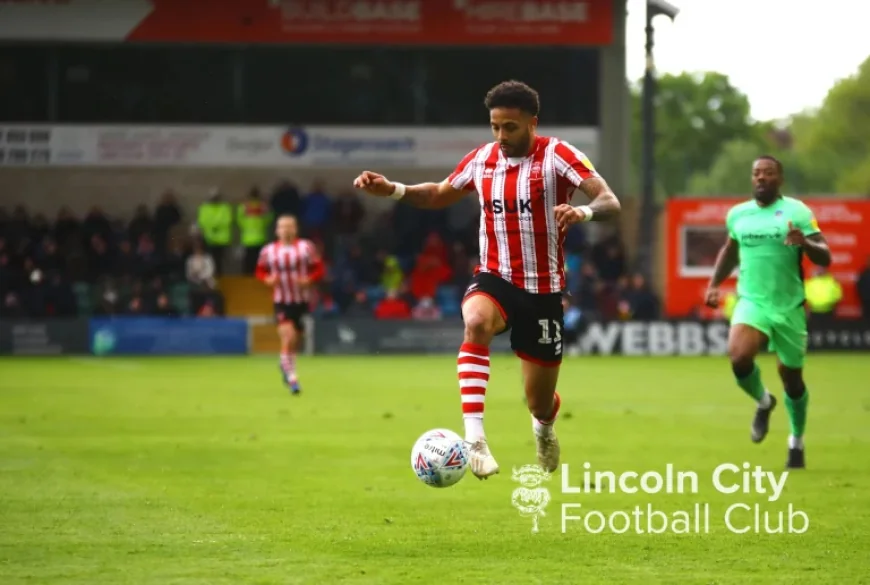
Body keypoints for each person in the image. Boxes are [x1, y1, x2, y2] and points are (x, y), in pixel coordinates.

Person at [352, 80, 621, 479]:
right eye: (495, 126)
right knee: (475, 321)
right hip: (495, 276)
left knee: (539, 401)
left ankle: (543, 428)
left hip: (544, 291)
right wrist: (393, 189)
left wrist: (583, 213)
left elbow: (609, 202)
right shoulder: (482, 160)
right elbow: (438, 193)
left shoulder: (559, 155)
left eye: (510, 127)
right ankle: (474, 438)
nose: (501, 136)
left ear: (533, 123)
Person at [704, 156, 831, 470]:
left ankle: (796, 441)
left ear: (780, 179)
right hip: (752, 301)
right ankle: (763, 401)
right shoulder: (738, 215)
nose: (761, 178)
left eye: (768, 173)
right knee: (738, 356)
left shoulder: (797, 212)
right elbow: (731, 250)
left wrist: (805, 243)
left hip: (789, 306)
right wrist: (715, 283)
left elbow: (825, 257)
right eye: (756, 173)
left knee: (792, 381)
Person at [255, 215, 324, 395]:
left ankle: (285, 365)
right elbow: (260, 271)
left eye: (289, 226)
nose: (286, 230)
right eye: (282, 227)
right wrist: (268, 280)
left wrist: (309, 279)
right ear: (277, 230)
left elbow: (319, 268)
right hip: (281, 301)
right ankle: (293, 378)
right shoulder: (268, 251)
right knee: (288, 336)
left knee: (294, 342)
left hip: (301, 301)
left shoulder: (306, 248)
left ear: (295, 229)